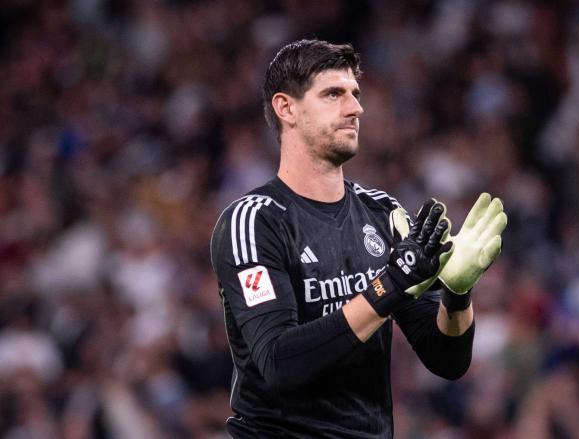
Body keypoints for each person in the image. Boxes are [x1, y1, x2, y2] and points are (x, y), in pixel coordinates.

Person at [210, 39, 507, 438]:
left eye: (355, 94)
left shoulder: (382, 213)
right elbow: (280, 363)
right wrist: (390, 286)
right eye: (333, 94)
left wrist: (457, 294)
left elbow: (447, 361)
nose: (355, 108)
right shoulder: (253, 222)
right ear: (286, 108)